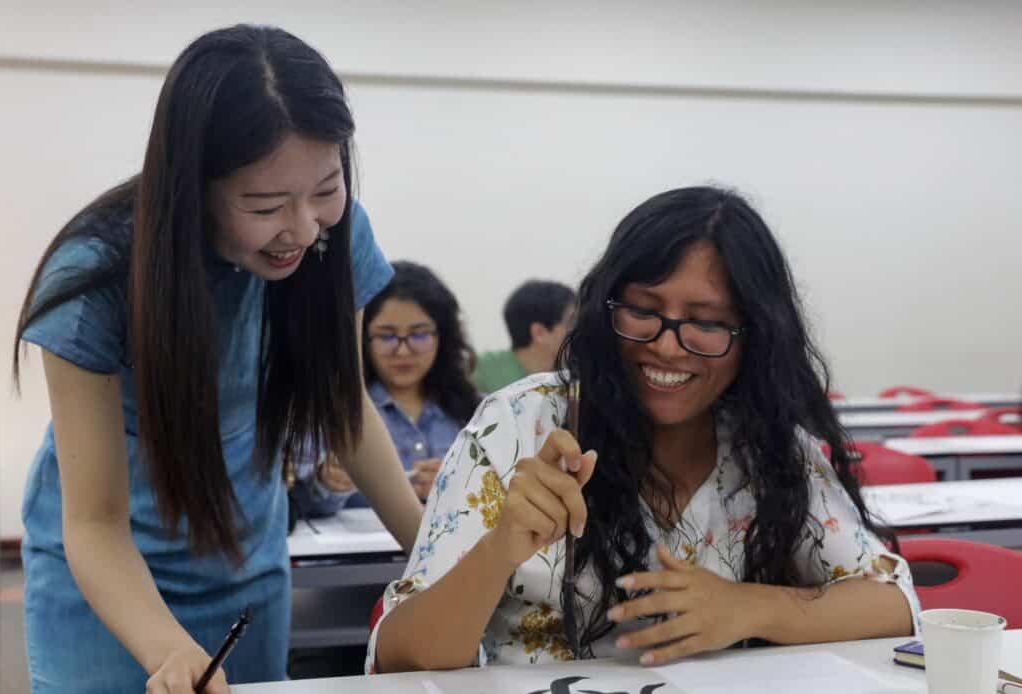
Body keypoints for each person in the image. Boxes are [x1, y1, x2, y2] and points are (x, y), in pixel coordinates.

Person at [12, 25, 422, 693]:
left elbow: (344, 408)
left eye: (326, 188)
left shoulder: (333, 238)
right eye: (266, 206)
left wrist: (435, 554)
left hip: (245, 561)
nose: (303, 229)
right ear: (192, 186)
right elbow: (94, 523)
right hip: (107, 579)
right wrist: (170, 653)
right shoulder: (94, 278)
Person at [369, 186, 920, 673]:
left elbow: (893, 604)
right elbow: (397, 657)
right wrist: (499, 549)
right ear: (603, 307)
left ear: (754, 335)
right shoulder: (517, 426)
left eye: (705, 322)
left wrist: (752, 607)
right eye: (641, 310)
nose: (667, 345)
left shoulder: (767, 444)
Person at [352, 260, 483, 505]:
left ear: (443, 336)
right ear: (361, 337)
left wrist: (463, 486)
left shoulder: (480, 413)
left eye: (419, 334)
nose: (403, 351)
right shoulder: (341, 412)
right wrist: (328, 482)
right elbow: (305, 500)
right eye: (386, 336)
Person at [472, 280, 575, 394]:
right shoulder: (479, 372)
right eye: (572, 323)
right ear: (539, 332)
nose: (579, 331)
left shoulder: (571, 376)